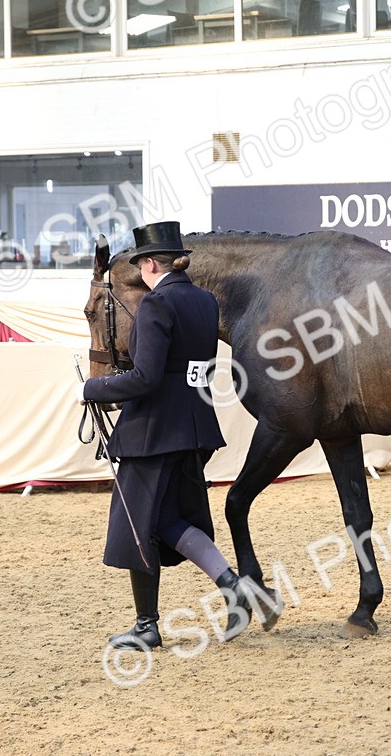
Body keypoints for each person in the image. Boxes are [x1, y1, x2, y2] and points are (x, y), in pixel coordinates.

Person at [78, 220, 280, 651]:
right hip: (195, 427)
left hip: (153, 432)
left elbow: (146, 377)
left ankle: (149, 625)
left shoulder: (157, 304)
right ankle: (232, 588)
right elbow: (198, 371)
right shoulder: (206, 302)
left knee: (137, 526)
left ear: (150, 263)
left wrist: (93, 388)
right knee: (166, 521)